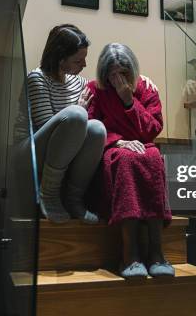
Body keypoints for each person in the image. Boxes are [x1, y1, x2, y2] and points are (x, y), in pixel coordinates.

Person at [19, 25, 157, 225]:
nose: (84, 64)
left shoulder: (80, 83)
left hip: (64, 152)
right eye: (78, 60)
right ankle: (48, 193)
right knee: (77, 114)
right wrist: (77, 109)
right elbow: (46, 129)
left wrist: (139, 77)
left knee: (96, 128)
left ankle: (74, 198)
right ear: (60, 59)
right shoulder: (37, 79)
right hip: (33, 150)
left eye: (85, 57)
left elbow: (106, 85)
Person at [86, 43, 174, 278]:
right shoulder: (96, 90)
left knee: (154, 156)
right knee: (124, 160)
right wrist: (117, 142)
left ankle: (157, 251)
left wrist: (129, 102)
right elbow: (92, 124)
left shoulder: (146, 88)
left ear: (132, 71)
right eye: (112, 74)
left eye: (123, 73)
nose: (118, 79)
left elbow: (153, 128)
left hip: (143, 144)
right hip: (113, 148)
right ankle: (130, 253)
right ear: (104, 74)